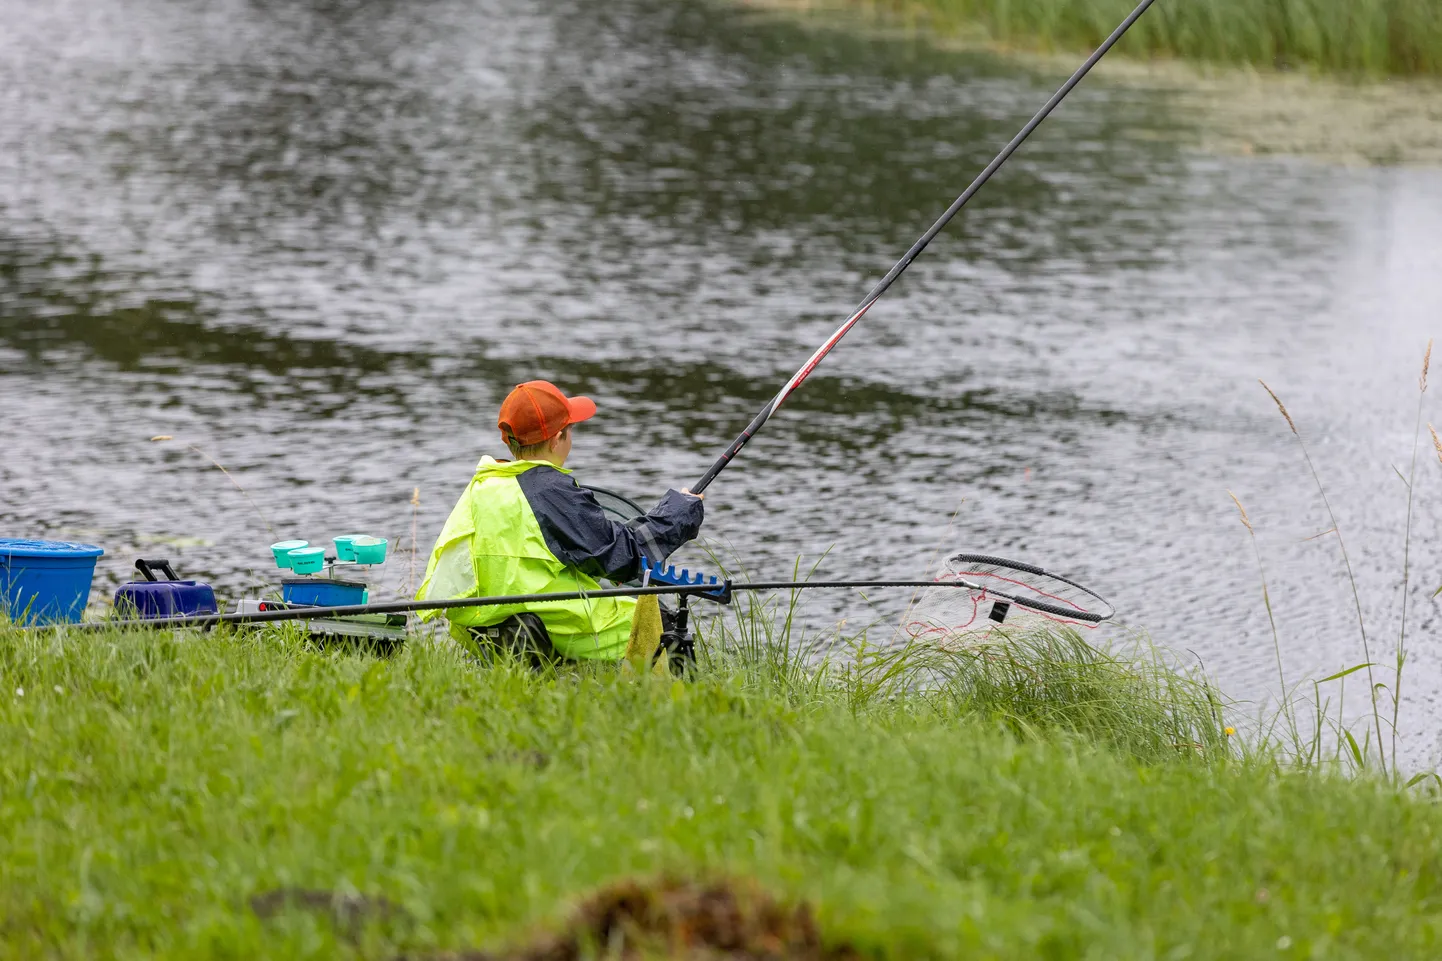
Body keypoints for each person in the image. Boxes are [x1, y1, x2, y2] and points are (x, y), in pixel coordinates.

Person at [416, 380, 704, 664]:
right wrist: (679, 512)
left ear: (509, 439)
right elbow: (625, 556)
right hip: (549, 622)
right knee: (659, 622)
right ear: (557, 439)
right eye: (570, 431)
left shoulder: (484, 484)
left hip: (484, 624)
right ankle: (660, 703)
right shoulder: (549, 490)